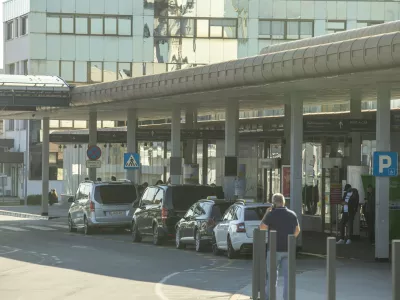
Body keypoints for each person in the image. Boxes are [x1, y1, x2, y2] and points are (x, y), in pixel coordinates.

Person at [260, 193, 300, 300]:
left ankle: (269, 297)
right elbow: (297, 230)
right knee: (288, 277)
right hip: (288, 248)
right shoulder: (292, 214)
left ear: (273, 203)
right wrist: (290, 239)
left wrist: (266, 214)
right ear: (284, 202)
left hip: (274, 249)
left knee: (272, 276)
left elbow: (262, 228)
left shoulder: (271, 214)